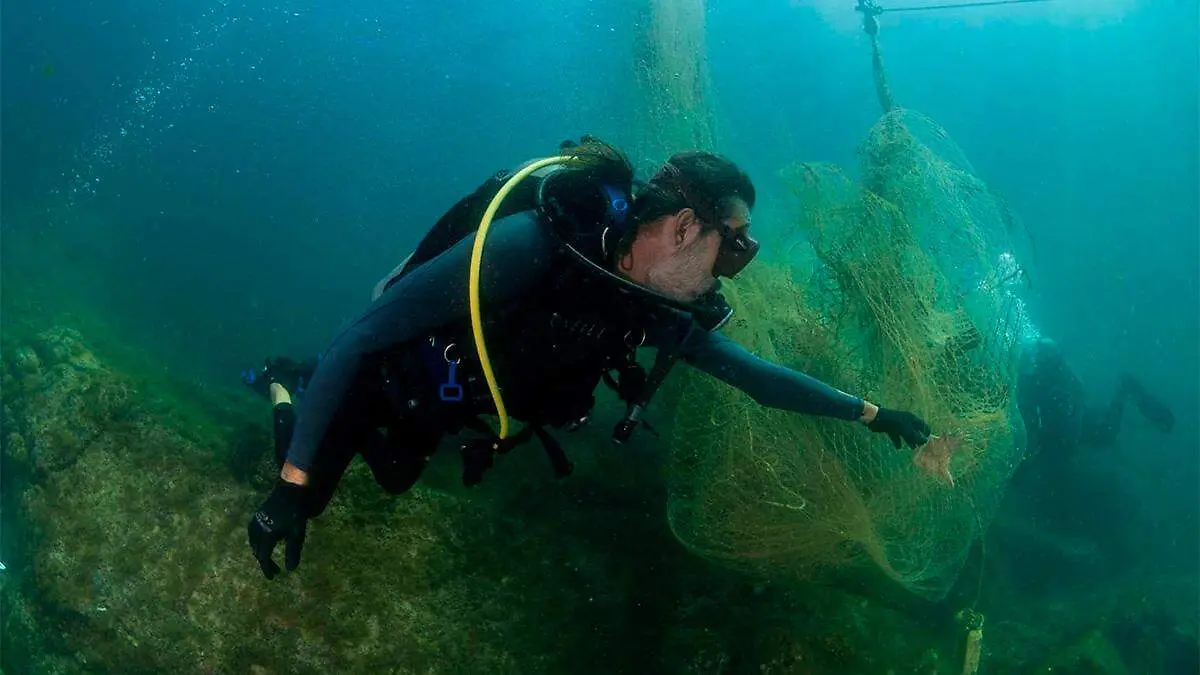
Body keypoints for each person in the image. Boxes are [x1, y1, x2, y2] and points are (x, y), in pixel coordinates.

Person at [245, 137, 934, 580]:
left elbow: (756, 378)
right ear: (685, 228)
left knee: (394, 475)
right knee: (306, 479)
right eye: (733, 246)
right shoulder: (534, 247)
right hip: (384, 379)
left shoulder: (649, 306)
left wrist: (874, 414)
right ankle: (286, 383)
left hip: (446, 409)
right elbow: (363, 336)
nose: (732, 269)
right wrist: (289, 490)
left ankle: (307, 416)